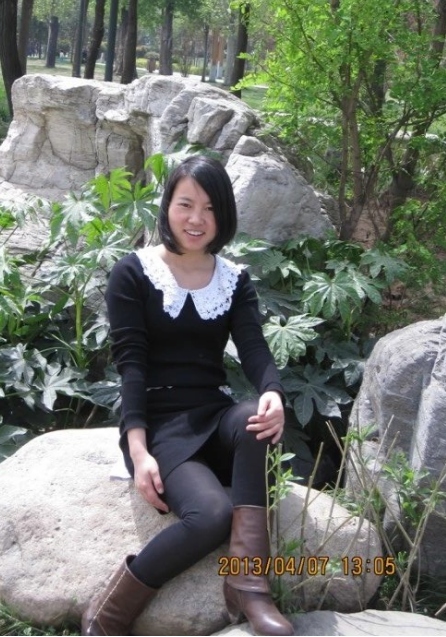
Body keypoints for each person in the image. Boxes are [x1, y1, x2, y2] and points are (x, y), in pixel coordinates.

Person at [81, 155, 294, 637]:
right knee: (211, 516)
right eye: (186, 204)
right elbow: (131, 366)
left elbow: (254, 347)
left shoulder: (233, 278)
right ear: (168, 206)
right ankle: (109, 613)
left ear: (224, 215)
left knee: (254, 421)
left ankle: (249, 586)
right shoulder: (134, 272)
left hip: (212, 414)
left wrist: (273, 393)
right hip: (161, 427)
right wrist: (138, 452)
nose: (197, 219)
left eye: (210, 208)